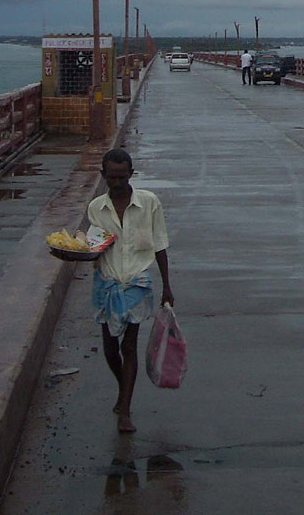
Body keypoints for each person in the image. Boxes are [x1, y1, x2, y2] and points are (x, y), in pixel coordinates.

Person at [88, 147, 173, 434]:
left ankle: (125, 410)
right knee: (110, 348)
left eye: (122, 177)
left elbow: (160, 244)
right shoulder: (96, 208)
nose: (117, 183)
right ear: (104, 176)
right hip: (107, 283)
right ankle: (123, 388)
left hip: (137, 283)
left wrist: (167, 287)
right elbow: (95, 247)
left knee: (129, 346)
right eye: (112, 178)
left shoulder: (149, 203)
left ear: (131, 175)